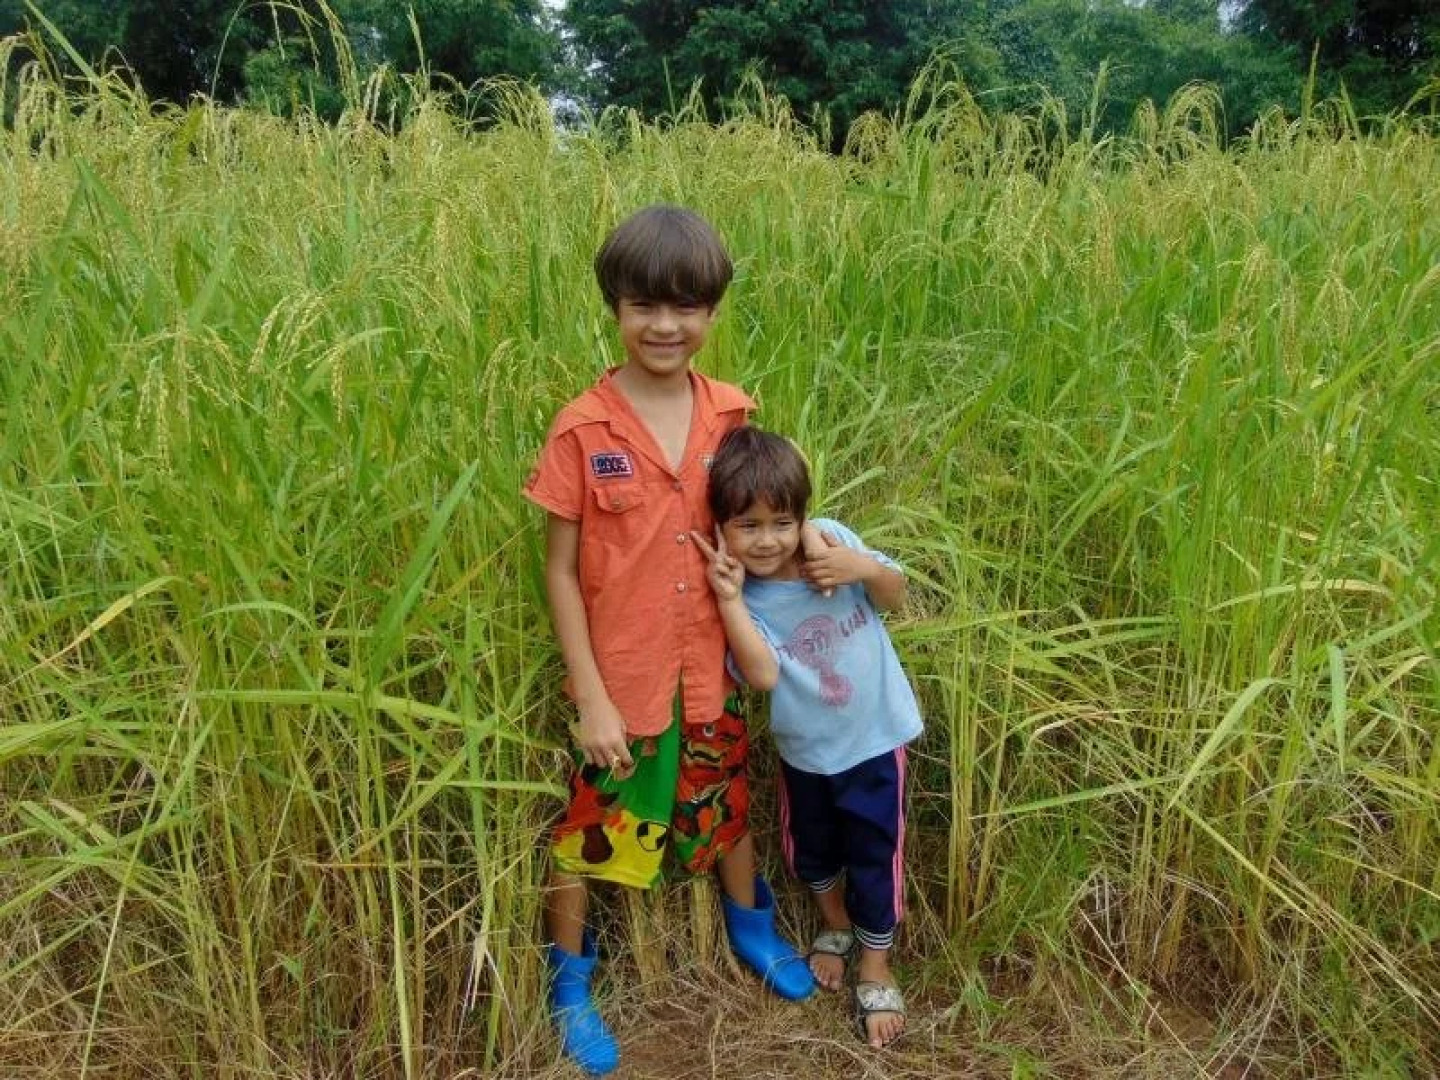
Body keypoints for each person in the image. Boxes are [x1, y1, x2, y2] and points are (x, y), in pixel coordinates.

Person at [523, 206, 815, 1076]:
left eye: (686, 307)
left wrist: (839, 556)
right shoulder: (583, 428)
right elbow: (562, 574)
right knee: (591, 830)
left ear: (713, 311)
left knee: (727, 806)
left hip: (713, 669)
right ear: (615, 306)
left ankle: (752, 930)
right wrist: (593, 697)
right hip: (626, 682)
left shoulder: (734, 415)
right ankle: (570, 984)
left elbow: (773, 522)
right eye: (645, 305)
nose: (665, 326)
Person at [690, 426, 923, 1049]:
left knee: (875, 856)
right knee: (810, 851)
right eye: (748, 525)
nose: (767, 539)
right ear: (721, 528)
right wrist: (732, 599)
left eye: (782, 522)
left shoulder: (835, 544)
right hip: (806, 754)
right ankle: (835, 923)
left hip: (875, 742)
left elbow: (896, 596)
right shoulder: (747, 599)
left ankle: (875, 965)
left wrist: (863, 566)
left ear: (803, 515)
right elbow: (762, 675)